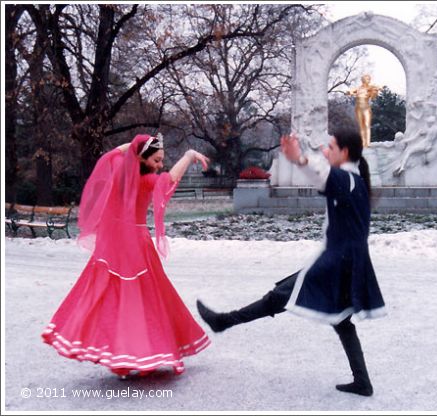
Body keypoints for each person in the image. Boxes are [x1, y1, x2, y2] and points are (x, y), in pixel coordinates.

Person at [197, 128, 386, 397]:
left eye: (330, 147)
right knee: (341, 319)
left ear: (344, 153)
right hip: (346, 262)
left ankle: (223, 321)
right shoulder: (355, 180)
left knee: (280, 296)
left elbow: (322, 175)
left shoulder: (346, 179)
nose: (325, 151)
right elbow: (325, 176)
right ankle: (362, 381)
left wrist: (299, 160)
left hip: (336, 263)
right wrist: (302, 159)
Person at [42, 133, 211, 379]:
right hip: (135, 245)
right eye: (156, 160)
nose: (160, 164)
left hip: (115, 246)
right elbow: (172, 178)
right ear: (143, 159)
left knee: (116, 297)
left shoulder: (120, 174)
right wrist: (188, 155)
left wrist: (134, 146)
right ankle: (136, 352)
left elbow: (112, 155)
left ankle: (122, 354)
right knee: (142, 299)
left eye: (161, 160)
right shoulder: (144, 181)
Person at [346, 74, 380, 148]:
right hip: (358, 109)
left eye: (369, 79)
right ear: (363, 79)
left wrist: (376, 91)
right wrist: (349, 92)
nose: (369, 80)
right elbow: (350, 91)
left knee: (367, 125)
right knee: (361, 126)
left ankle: (367, 143)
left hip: (366, 108)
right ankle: (362, 142)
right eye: (368, 79)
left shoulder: (370, 88)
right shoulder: (358, 89)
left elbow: (373, 97)